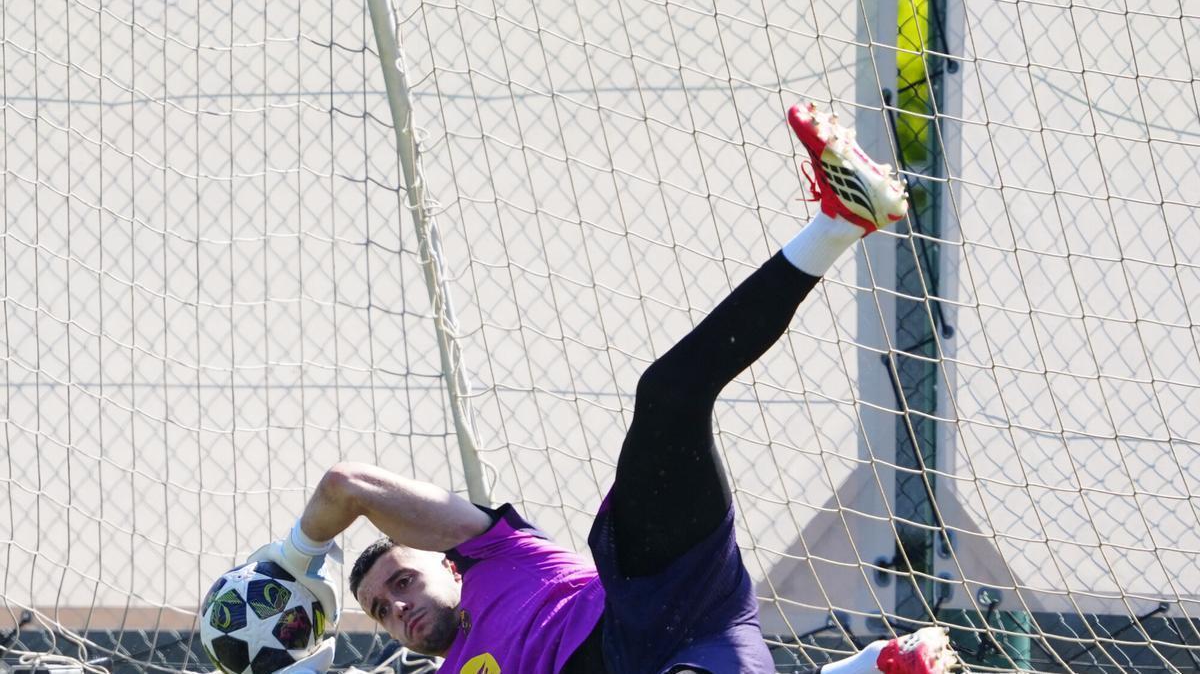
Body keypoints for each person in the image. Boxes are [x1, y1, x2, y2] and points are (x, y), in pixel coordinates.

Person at [250, 103, 962, 674]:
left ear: (446, 559)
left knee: (667, 397)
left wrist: (292, 558)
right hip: (681, 656)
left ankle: (838, 222)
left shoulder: (501, 553)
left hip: (652, 595)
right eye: (378, 609)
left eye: (401, 581)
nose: (395, 606)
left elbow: (348, 483)